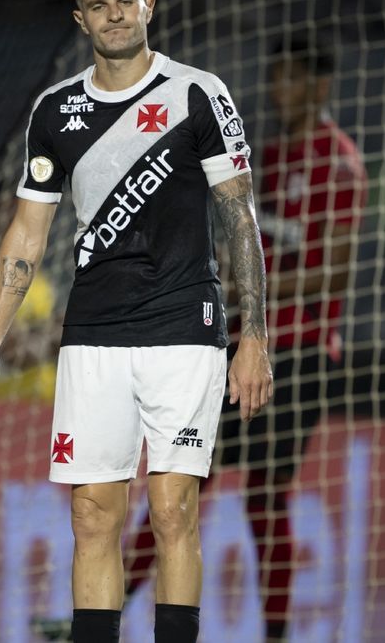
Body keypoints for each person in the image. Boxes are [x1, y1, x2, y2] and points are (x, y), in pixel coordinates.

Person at [0, 0, 273, 643]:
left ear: (149, 6)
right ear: (81, 19)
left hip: (184, 330)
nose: (114, 15)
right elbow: (26, 233)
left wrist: (254, 336)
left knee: (173, 511)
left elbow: (238, 216)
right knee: (93, 516)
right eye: (99, 6)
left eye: (125, 2)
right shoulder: (56, 112)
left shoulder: (199, 94)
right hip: (94, 334)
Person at [123, 38, 368, 641]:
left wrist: (260, 285)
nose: (278, 91)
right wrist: (230, 279)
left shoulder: (340, 164)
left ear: (319, 86)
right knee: (183, 477)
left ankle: (277, 632)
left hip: (303, 355)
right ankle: (102, 612)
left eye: (290, 78)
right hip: (245, 344)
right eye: (276, 77)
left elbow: (335, 273)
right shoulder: (274, 157)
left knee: (261, 493)